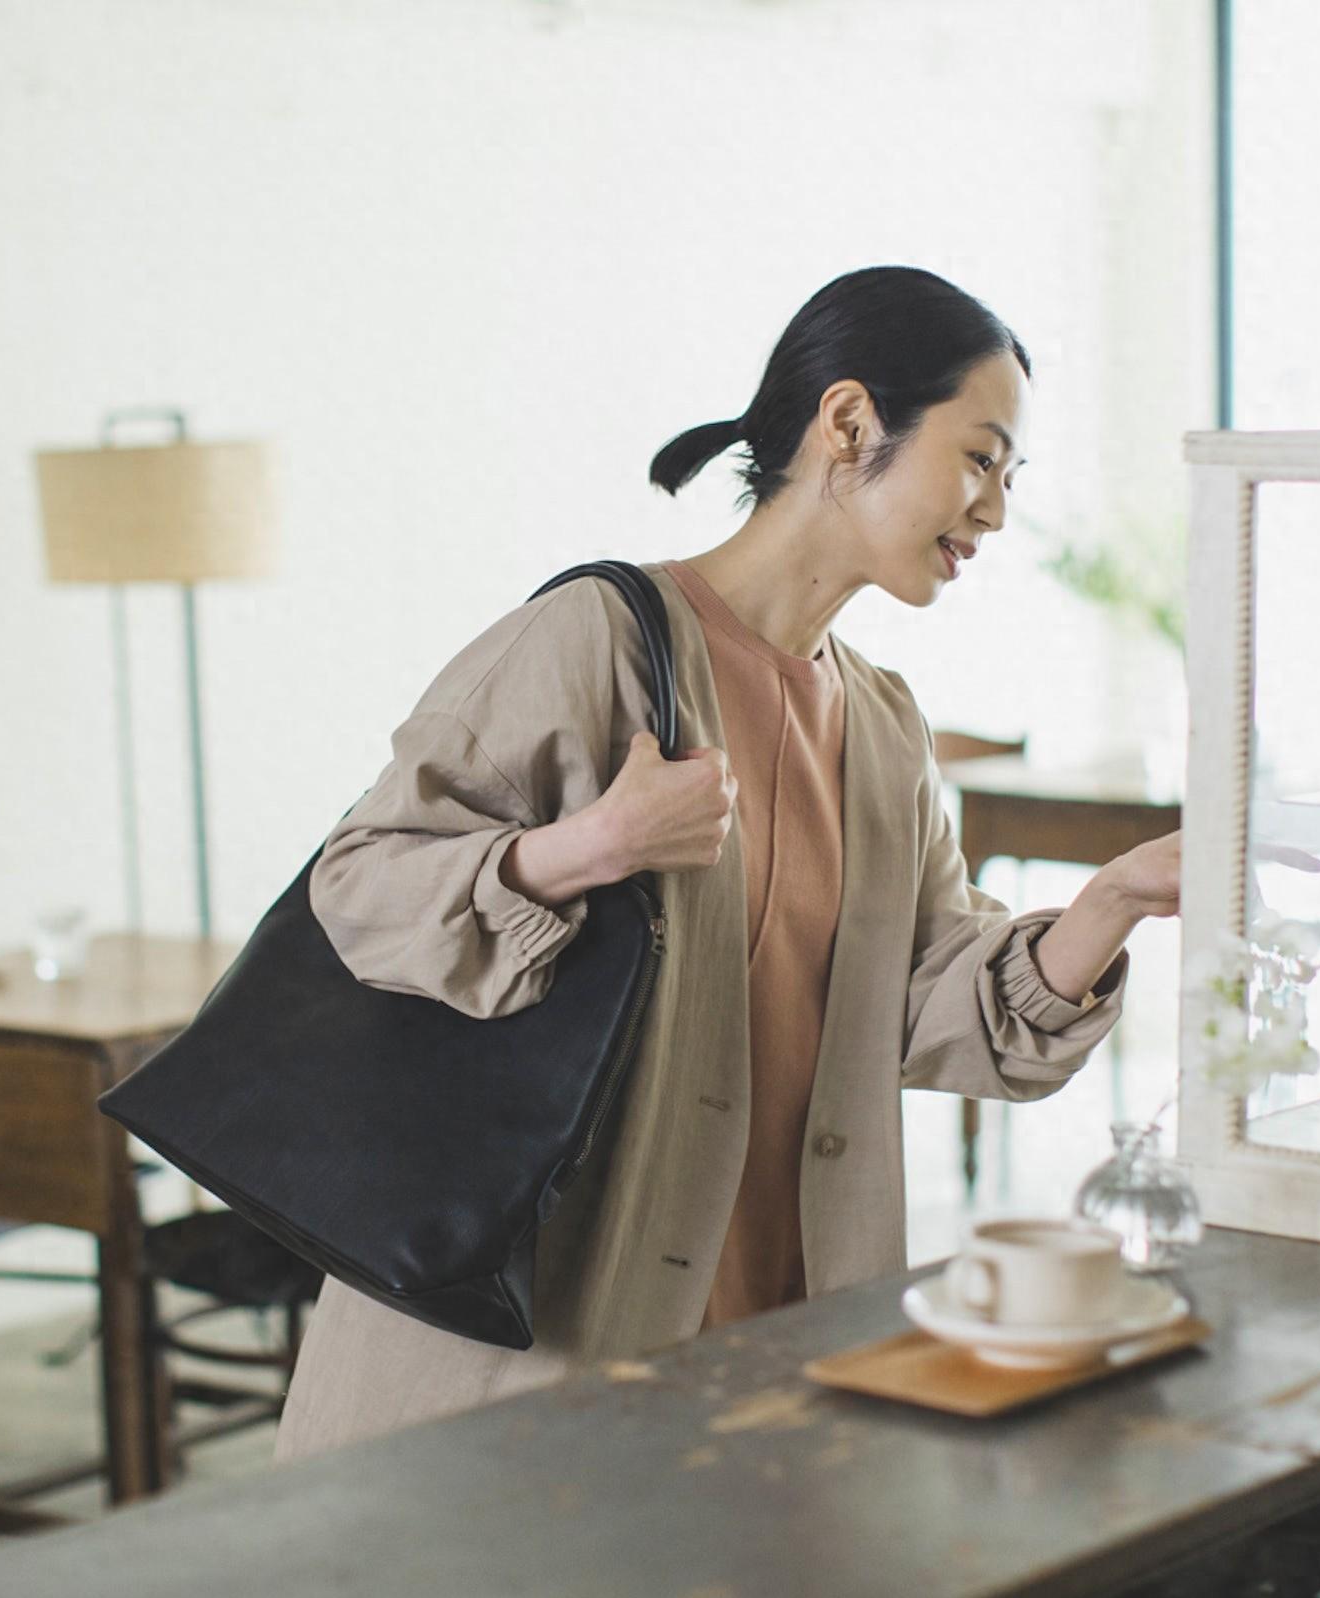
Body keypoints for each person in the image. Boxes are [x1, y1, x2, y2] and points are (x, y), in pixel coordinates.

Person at [273, 265, 1181, 1464]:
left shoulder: (885, 724)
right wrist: (587, 847)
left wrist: (1115, 898)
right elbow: (362, 886)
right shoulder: (595, 638)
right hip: (527, 1353)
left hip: (775, 1347)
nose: (997, 511)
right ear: (850, 424)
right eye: (979, 458)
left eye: (1011, 476)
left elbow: (927, 1010)